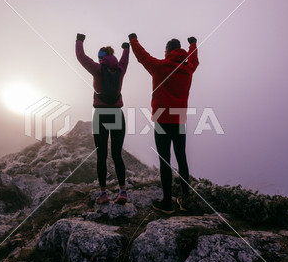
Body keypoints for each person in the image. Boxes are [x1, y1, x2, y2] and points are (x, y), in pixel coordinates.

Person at [128, 33, 199, 214]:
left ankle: (167, 203)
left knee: (165, 160)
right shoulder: (188, 67)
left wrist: (133, 40)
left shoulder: (160, 66)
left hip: (161, 119)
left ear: (168, 51)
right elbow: (194, 60)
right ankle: (186, 200)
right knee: (181, 158)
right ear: (179, 50)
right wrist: (193, 45)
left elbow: (142, 57)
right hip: (179, 118)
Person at [75, 33, 129, 205]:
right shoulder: (120, 69)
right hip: (117, 114)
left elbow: (81, 57)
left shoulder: (97, 69)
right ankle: (122, 191)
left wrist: (79, 41)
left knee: (101, 155)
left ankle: (103, 193)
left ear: (102, 58)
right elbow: (125, 59)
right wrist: (126, 48)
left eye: (99, 57)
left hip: (100, 114)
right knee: (117, 155)